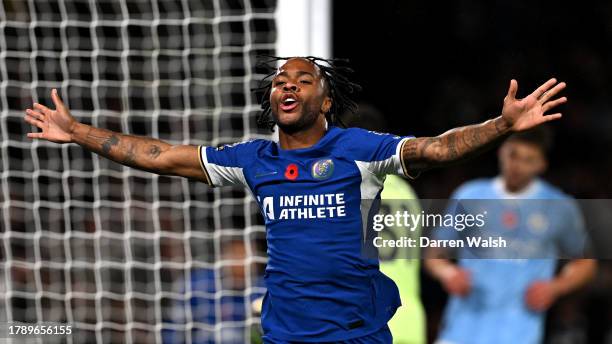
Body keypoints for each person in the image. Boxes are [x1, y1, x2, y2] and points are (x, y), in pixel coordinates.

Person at [24, 56, 567, 343]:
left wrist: (502, 124)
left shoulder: (360, 150)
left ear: (325, 98)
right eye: (279, 80)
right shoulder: (253, 160)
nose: (286, 85)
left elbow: (440, 148)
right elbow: (160, 155)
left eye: (302, 79)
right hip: (285, 333)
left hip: (358, 333)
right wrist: (78, 132)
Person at [424, 127, 597, 344]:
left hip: (518, 334)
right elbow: (434, 254)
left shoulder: (559, 206)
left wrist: (555, 287)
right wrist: (447, 273)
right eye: (513, 155)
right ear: (501, 152)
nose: (517, 166)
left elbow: (586, 263)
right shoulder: (470, 195)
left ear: (542, 164)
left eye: (528, 159)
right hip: (460, 332)